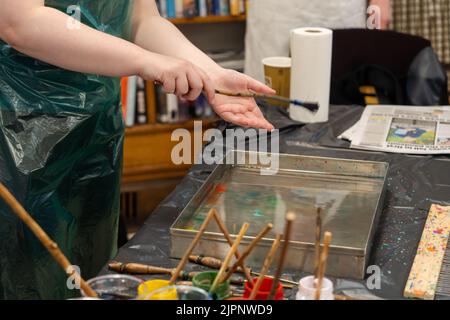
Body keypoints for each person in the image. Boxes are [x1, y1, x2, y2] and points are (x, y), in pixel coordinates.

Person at [0, 0, 274, 299]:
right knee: (26, 275)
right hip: (18, 128)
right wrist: (146, 61)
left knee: (92, 268)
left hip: (95, 126)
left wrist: (210, 74)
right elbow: (20, 23)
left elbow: (141, 20)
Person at [245, 0, 391, 82]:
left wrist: (380, 4)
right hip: (275, 13)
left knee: (342, 88)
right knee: (271, 92)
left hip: (342, 10)